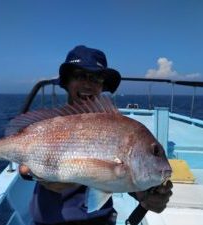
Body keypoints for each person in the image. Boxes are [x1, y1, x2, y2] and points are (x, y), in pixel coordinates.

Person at [19, 45, 173, 225]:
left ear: (102, 85)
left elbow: (123, 175)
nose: (88, 83)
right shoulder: (48, 125)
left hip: (100, 219)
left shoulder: (119, 128)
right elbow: (24, 166)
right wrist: (31, 173)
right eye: (79, 75)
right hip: (49, 220)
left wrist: (147, 195)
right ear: (67, 82)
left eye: (96, 78)